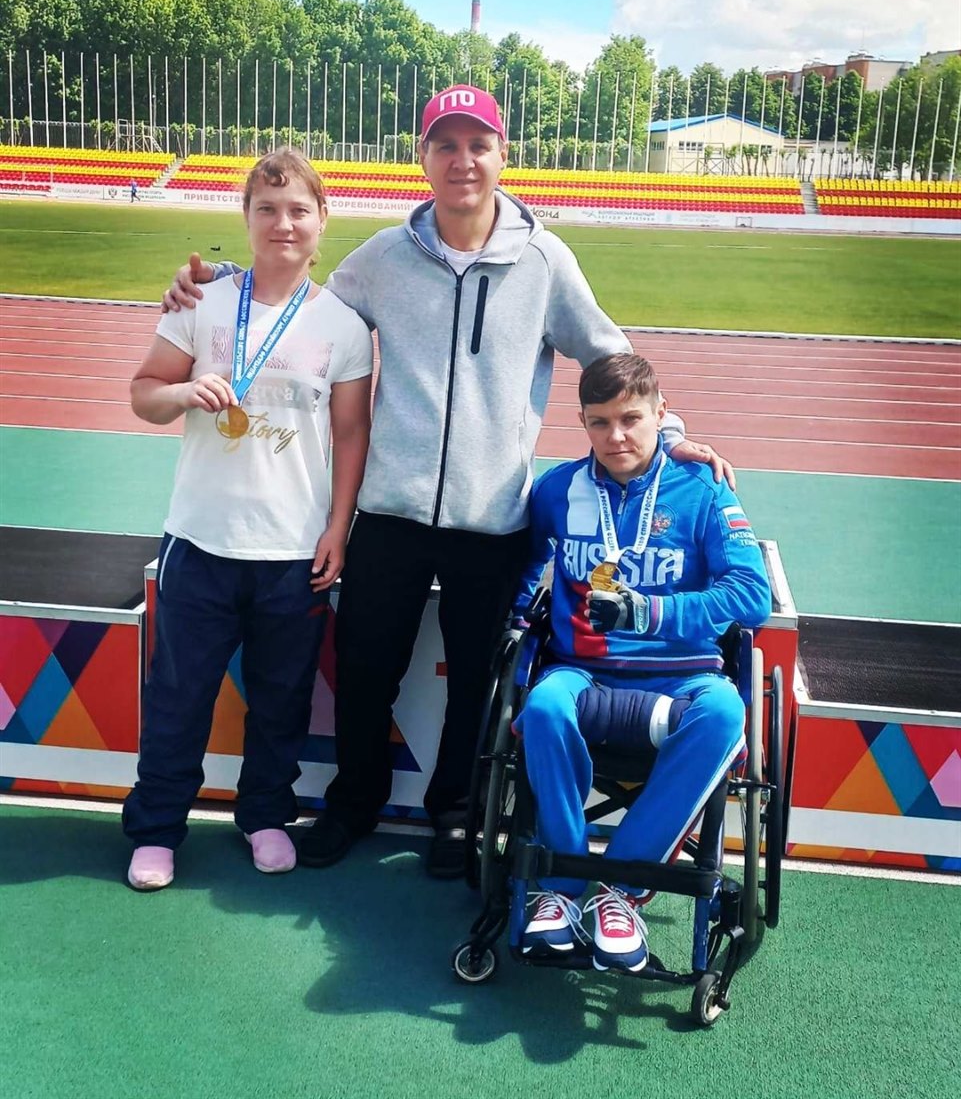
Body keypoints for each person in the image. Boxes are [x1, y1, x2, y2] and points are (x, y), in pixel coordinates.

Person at [161, 84, 734, 880]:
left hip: (491, 518)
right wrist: (221, 281)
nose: (462, 160)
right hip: (389, 512)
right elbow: (297, 300)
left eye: (477, 145)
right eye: (445, 145)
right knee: (366, 672)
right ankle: (353, 804)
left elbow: (608, 354)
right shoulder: (384, 257)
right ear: (423, 158)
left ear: (502, 155)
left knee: (477, 681)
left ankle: (456, 815)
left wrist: (665, 434)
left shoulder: (544, 261)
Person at [123, 149, 372, 890]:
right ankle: (157, 828)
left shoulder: (343, 325)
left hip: (292, 549)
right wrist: (183, 392)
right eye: (267, 209)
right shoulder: (201, 302)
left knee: (281, 700)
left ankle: (265, 815)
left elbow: (351, 432)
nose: (282, 224)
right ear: (246, 218)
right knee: (178, 698)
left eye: (298, 210)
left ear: (321, 220)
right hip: (201, 539)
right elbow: (143, 392)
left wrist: (338, 527)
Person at [513, 352, 771, 972]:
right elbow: (526, 561)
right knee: (541, 706)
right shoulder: (557, 489)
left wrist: (649, 613)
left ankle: (620, 891)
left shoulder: (703, 489)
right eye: (599, 422)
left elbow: (751, 596)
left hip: (683, 680)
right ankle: (561, 887)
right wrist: (515, 616)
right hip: (584, 674)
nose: (616, 437)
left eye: (631, 419)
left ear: (661, 414)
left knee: (724, 714)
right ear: (582, 421)